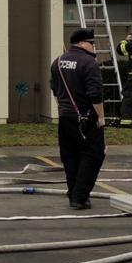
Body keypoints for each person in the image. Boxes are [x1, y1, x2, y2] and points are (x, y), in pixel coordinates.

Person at [50, 27, 106, 209]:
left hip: (65, 117)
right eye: (92, 43)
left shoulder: (57, 61)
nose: (93, 47)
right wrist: (101, 117)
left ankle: (73, 191)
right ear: (83, 43)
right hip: (86, 118)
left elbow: (55, 89)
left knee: (70, 156)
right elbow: (95, 94)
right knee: (93, 155)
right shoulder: (89, 63)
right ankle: (80, 197)